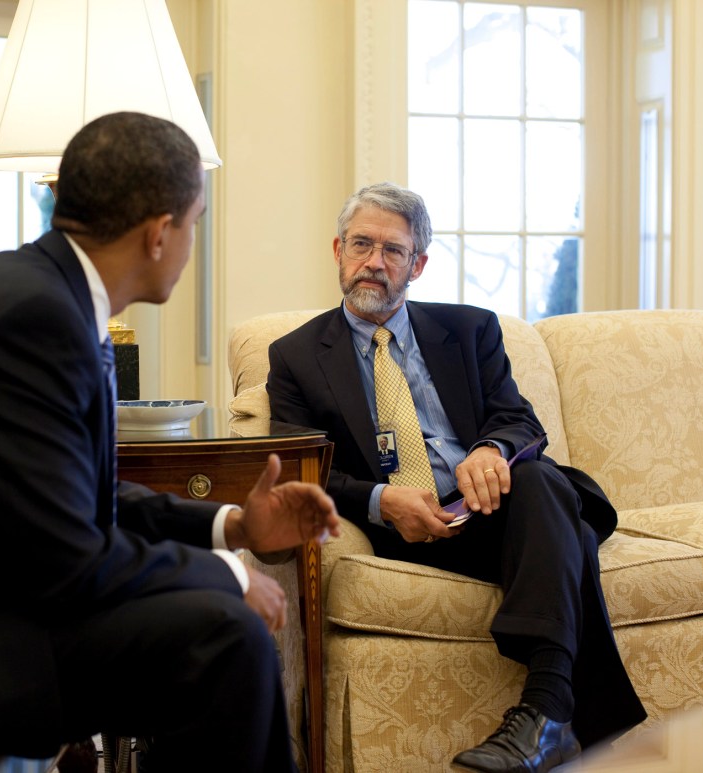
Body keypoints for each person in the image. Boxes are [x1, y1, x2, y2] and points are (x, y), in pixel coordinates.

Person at [0, 112, 340, 773]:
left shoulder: (44, 289)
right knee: (224, 638)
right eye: (195, 221)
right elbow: (68, 561)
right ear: (159, 233)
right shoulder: (36, 315)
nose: (193, 240)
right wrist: (226, 574)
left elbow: (83, 502)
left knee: (216, 624)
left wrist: (235, 528)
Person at [265, 183, 645, 773]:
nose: (374, 262)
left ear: (417, 264)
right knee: (560, 514)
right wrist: (381, 500)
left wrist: (491, 451)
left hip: (489, 512)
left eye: (393, 250)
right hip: (403, 526)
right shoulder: (294, 355)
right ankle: (560, 717)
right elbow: (299, 465)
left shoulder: (470, 331)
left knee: (539, 479)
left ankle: (542, 714)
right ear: (338, 250)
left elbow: (518, 420)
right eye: (362, 244)